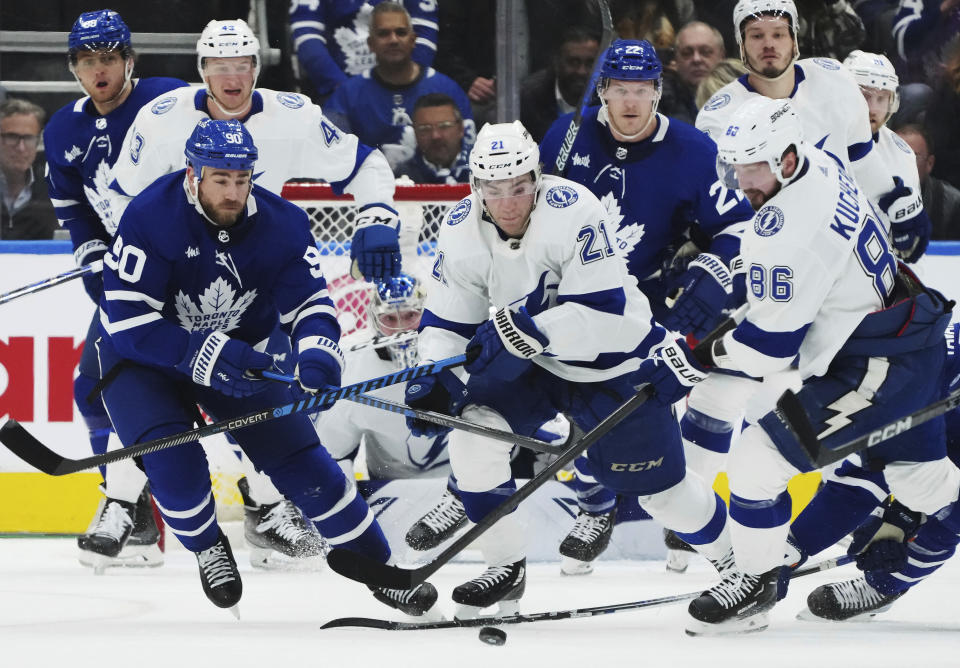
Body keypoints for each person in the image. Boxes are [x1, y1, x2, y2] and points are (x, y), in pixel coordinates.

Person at [97, 117, 438, 616]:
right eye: (221, 179)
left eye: (242, 178)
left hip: (241, 354)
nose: (234, 192)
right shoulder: (150, 217)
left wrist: (319, 354)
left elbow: (310, 305)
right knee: (175, 468)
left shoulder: (284, 223)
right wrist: (205, 353)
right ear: (193, 174)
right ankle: (209, 544)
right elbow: (128, 321)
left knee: (307, 464)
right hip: (143, 360)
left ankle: (383, 570)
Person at [401, 119, 734, 619]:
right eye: (494, 189)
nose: (508, 202)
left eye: (519, 186)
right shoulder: (459, 227)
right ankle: (505, 568)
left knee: (663, 497)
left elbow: (600, 312)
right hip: (530, 360)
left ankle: (742, 569)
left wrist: (523, 329)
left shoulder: (574, 207)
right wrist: (435, 375)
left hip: (608, 360)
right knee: (473, 436)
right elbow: (449, 321)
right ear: (476, 187)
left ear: (538, 178)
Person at [682, 96, 957, 635]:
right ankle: (771, 562)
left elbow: (768, 351)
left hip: (876, 367)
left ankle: (754, 584)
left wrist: (696, 356)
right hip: (908, 338)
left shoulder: (785, 232)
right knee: (922, 484)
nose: (743, 182)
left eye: (753, 167)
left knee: (756, 464)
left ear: (785, 159)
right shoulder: (821, 163)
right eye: (736, 166)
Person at [539, 39, 755, 575]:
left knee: (703, 394)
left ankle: (687, 511)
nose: (630, 104)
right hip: (576, 297)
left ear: (658, 91)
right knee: (589, 404)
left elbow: (736, 229)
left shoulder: (694, 149)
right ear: (603, 93)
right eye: (619, 91)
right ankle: (595, 507)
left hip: (657, 293)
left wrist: (715, 270)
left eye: (641, 91)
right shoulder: (565, 136)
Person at [41, 9, 188, 571]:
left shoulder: (169, 100)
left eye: (108, 58)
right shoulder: (63, 130)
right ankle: (133, 512)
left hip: (193, 271)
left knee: (226, 391)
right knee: (94, 387)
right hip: (129, 281)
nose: (97, 70)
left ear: (129, 60)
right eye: (86, 60)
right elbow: (73, 207)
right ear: (74, 67)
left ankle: (270, 505)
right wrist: (93, 258)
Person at [107, 18, 402, 284]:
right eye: (221, 67)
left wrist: (377, 214)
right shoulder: (161, 120)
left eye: (242, 66)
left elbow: (365, 165)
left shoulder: (294, 119)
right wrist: (149, 247)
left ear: (256, 68)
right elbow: (122, 193)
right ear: (203, 70)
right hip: (177, 277)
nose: (233, 79)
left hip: (255, 278)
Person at [696, 0, 933, 266]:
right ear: (741, 43)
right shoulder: (718, 117)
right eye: (756, 35)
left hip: (843, 242)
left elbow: (862, 160)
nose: (769, 44)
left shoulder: (835, 80)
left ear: (794, 39)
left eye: (778, 34)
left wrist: (896, 204)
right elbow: (728, 208)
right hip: (771, 251)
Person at [799, 322, 960, 621]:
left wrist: (904, 517)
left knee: (949, 515)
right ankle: (886, 572)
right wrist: (888, 518)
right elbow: (890, 445)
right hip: (943, 433)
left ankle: (886, 584)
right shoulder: (931, 357)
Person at [314, 273, 453, 481]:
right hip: (394, 487)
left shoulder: (458, 345)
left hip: (470, 485)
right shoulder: (353, 366)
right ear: (375, 320)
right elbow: (333, 453)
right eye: (389, 318)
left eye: (410, 315)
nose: (401, 328)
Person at [322, 2, 474, 171]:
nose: (393, 40)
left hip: (436, 193)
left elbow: (469, 158)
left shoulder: (448, 90)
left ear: (413, 40)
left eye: (400, 32)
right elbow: (331, 159)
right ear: (371, 43)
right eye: (383, 34)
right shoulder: (346, 96)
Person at [289, 0, 438, 101]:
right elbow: (307, 39)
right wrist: (344, 90)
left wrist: (407, 84)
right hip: (339, 88)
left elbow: (424, 34)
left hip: (403, 88)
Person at [519, 27, 600, 143]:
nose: (582, 71)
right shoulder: (528, 97)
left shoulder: (609, 98)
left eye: (590, 63)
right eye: (573, 62)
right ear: (556, 63)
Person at [0, 98, 56, 239]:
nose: (21, 148)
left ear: (38, 142)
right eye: (12, 137)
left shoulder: (55, 191)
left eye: (29, 138)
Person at [896, 124, 960, 240]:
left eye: (913, 157)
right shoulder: (868, 196)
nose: (903, 163)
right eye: (896, 155)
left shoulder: (952, 203)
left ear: (929, 163)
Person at [395, 93, 470, 184]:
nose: (435, 136)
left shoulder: (483, 167)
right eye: (425, 128)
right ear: (415, 133)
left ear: (461, 128)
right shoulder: (401, 177)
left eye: (444, 126)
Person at [659, 21, 725, 124]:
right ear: (676, 59)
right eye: (687, 53)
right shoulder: (659, 100)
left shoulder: (741, 93)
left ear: (721, 56)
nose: (696, 59)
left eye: (706, 52)